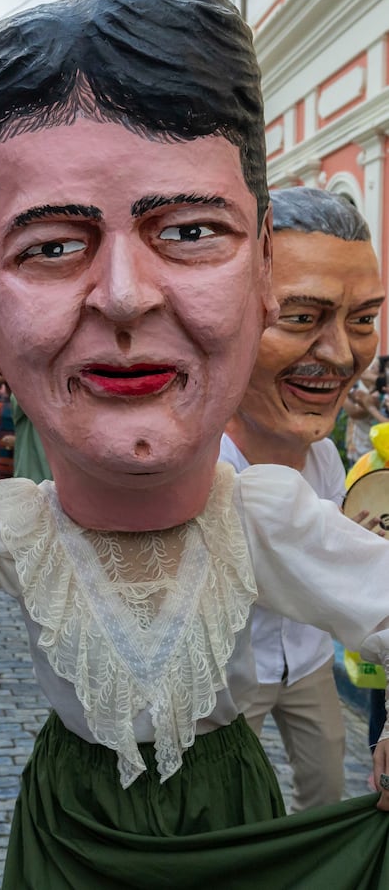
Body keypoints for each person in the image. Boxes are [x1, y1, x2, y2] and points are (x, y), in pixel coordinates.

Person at [0, 0, 389, 888]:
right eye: (51, 246)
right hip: (73, 821)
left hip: (226, 820)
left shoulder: (263, 513)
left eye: (193, 231)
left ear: (258, 272)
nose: (126, 297)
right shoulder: (24, 529)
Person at [220, 186, 384, 811]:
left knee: (328, 792)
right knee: (235, 811)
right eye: (300, 317)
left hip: (309, 658)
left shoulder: (322, 456)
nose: (342, 356)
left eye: (364, 320)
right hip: (240, 678)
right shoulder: (199, 470)